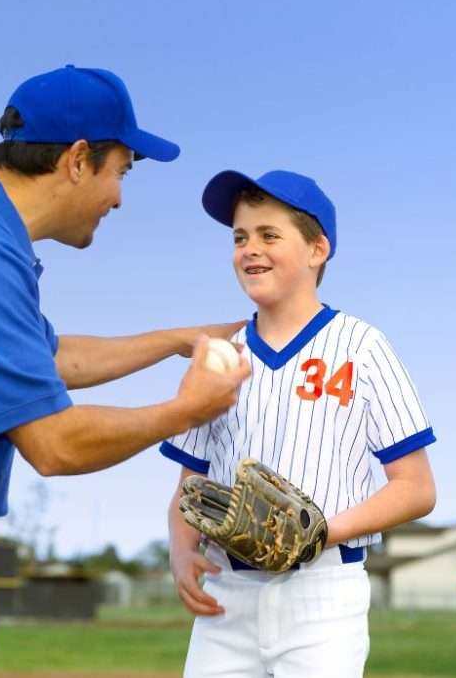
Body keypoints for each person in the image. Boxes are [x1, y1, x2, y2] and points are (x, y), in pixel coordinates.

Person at [0, 65, 251, 677]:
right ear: (77, 159)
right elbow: (55, 445)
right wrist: (189, 409)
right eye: (120, 172)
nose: (118, 196)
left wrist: (177, 340)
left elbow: (54, 361)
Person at [161, 169, 438, 677]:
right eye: (240, 238)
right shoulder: (219, 356)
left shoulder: (362, 347)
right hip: (227, 594)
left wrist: (321, 531)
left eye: (270, 235)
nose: (250, 249)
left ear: (317, 250)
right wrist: (181, 552)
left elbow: (416, 488)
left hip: (322, 593)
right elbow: (190, 484)